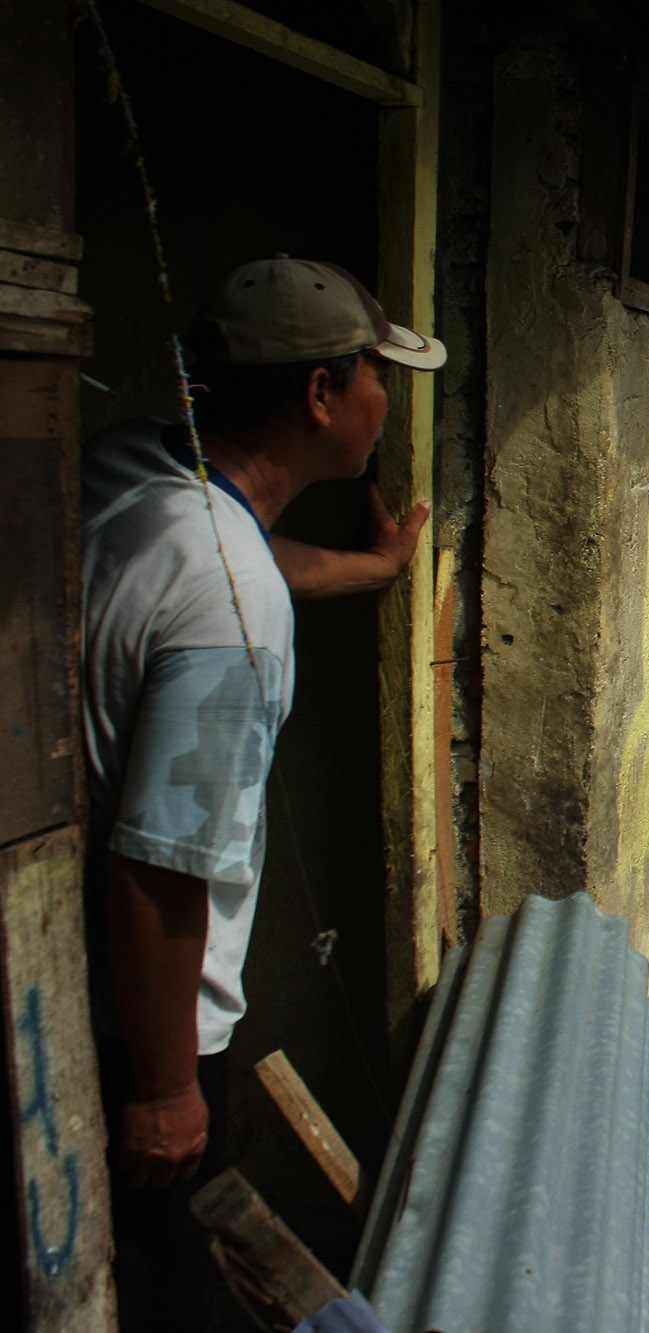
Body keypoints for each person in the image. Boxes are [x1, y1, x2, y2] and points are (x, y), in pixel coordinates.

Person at [83, 257, 443, 1327]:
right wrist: (161, 1086)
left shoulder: (131, 472)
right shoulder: (232, 608)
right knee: (163, 1288)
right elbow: (160, 859)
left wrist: (367, 574)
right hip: (141, 1023)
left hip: (79, 982)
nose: (390, 397)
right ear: (321, 395)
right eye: (375, 373)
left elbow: (232, 554)